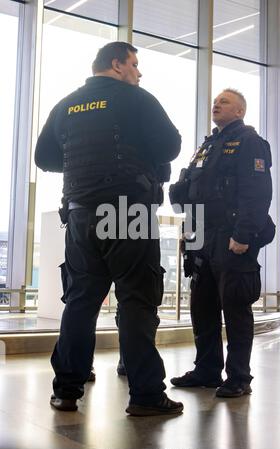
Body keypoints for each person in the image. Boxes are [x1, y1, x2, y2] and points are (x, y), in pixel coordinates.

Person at [35, 41, 183, 416]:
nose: (138, 73)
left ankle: (66, 390)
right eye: (135, 65)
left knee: (81, 300)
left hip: (81, 214)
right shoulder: (136, 98)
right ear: (117, 64)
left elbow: (45, 157)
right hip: (126, 210)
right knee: (136, 298)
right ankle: (146, 396)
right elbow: (170, 146)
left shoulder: (67, 103)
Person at [169, 89, 274, 397]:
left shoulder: (250, 142)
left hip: (232, 236)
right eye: (215, 100)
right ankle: (207, 370)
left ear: (240, 111)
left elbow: (257, 193)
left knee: (236, 307)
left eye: (224, 101)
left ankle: (239, 377)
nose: (216, 104)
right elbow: (194, 190)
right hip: (202, 235)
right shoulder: (207, 145)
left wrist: (243, 234)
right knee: (202, 306)